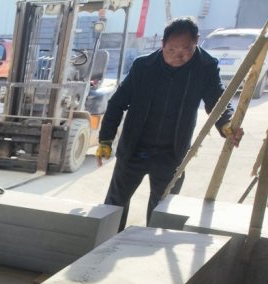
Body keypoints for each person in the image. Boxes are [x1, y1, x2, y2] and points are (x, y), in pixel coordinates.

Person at [96, 17, 244, 231]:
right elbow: (117, 103)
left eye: (186, 50)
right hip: (135, 149)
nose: (178, 56)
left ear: (196, 42)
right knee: (115, 205)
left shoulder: (205, 67)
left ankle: (149, 244)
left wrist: (226, 124)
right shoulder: (143, 66)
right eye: (171, 50)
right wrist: (105, 140)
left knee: (162, 211)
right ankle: (107, 243)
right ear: (162, 44)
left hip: (172, 153)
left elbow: (217, 100)